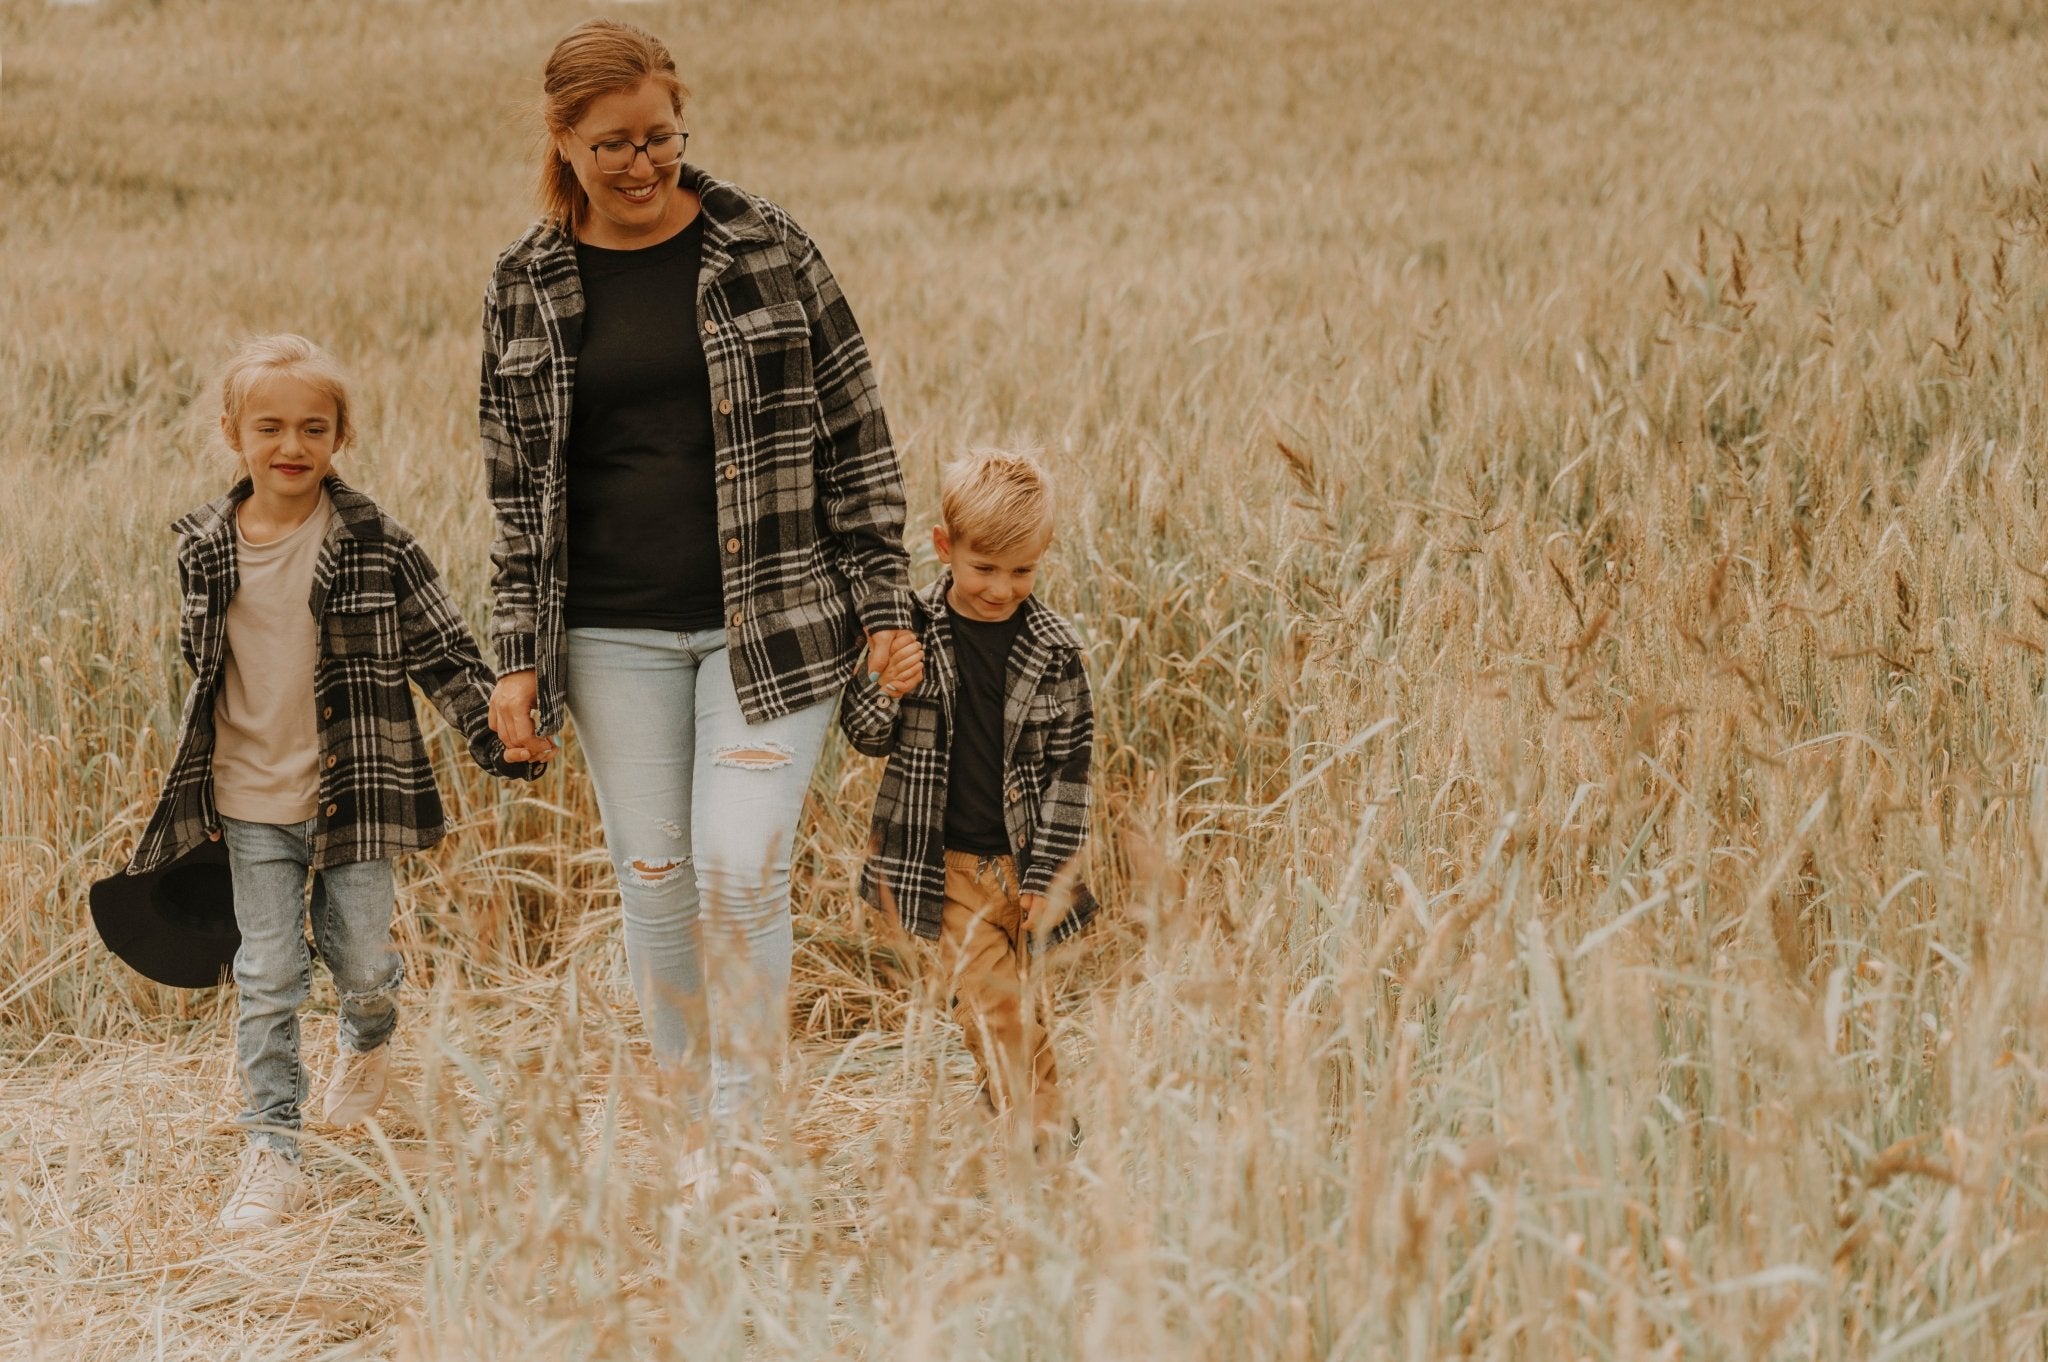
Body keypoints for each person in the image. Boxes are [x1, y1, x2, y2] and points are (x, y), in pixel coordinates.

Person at [476, 19, 920, 1198]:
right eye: (611, 144)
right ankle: (690, 1137)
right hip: (610, 633)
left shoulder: (766, 249)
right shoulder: (524, 285)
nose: (640, 164)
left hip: (774, 624)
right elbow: (516, 495)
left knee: (739, 866)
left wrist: (887, 602)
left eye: (659, 138)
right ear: (562, 140)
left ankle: (751, 1139)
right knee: (659, 875)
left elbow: (856, 434)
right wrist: (515, 658)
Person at [126, 334, 547, 1232]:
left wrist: (495, 734)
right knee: (269, 971)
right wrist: (190, 800)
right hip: (248, 801)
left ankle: (369, 1035)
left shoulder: (376, 542)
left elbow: (444, 650)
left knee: (361, 958)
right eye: (270, 426)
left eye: (314, 427)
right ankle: (272, 1150)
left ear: (340, 436)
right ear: (233, 432)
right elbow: (198, 679)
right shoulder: (204, 548)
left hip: (357, 794)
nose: (292, 445)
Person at [839, 449, 1097, 1151]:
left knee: (1022, 1001)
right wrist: (884, 685)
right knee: (988, 998)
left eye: (1023, 571)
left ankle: (1002, 1105)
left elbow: (1071, 778)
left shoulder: (1056, 650)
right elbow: (863, 735)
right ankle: (1048, 1132)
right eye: (984, 568)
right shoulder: (912, 630)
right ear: (944, 547)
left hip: (1027, 861)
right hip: (947, 864)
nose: (1001, 588)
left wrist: (1049, 876)